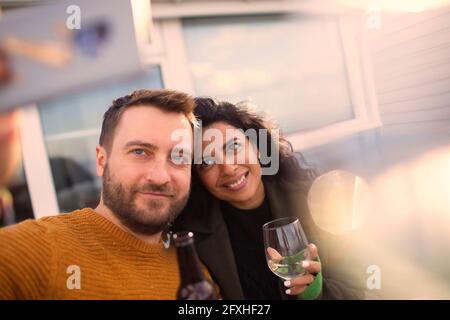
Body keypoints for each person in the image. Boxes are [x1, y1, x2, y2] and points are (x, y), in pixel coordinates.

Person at [0, 89, 209, 299]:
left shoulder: (200, 275)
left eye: (179, 157)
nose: (160, 176)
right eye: (140, 152)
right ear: (101, 161)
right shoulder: (37, 252)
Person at [173, 97, 366, 300]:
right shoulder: (194, 238)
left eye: (233, 147)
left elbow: (362, 289)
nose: (228, 168)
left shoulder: (318, 203)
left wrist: (316, 294)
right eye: (207, 162)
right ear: (196, 177)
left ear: (257, 146)